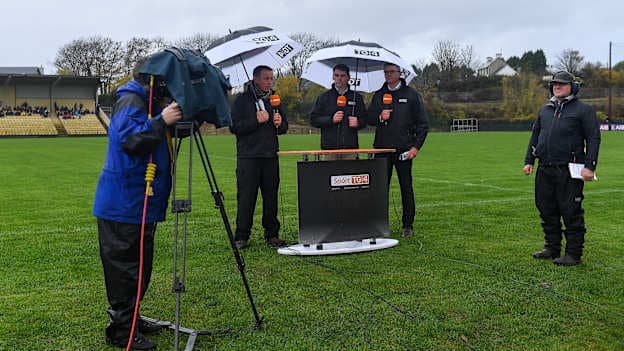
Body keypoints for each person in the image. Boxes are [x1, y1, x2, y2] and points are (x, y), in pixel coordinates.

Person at [93, 60, 182, 349]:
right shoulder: (131, 99)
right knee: (125, 269)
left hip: (139, 202)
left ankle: (131, 318)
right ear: (152, 80)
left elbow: (162, 134)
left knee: (140, 267)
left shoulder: (148, 102)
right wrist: (161, 121)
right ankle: (122, 331)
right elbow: (129, 140)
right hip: (124, 204)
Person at [523, 70, 601, 266]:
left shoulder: (583, 110)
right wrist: (529, 161)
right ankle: (552, 247)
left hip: (569, 169)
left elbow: (593, 138)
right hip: (545, 168)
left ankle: (573, 254)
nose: (557, 86)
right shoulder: (545, 109)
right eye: (555, 84)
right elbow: (535, 136)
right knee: (546, 209)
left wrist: (590, 166)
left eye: (562, 84)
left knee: (570, 211)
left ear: (572, 87)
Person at [367, 62, 429, 238]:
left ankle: (407, 225)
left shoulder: (411, 95)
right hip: (381, 150)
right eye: (385, 72)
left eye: (391, 72)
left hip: (404, 150)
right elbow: (369, 118)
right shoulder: (379, 95)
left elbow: (423, 124)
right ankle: (379, 224)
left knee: (406, 188)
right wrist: (380, 116)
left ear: (400, 73)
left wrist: (415, 147)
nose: (388, 75)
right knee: (380, 190)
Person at [230, 65, 288, 249]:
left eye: (272, 78)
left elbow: (283, 127)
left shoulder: (275, 100)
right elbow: (234, 127)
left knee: (271, 196)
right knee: (247, 197)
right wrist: (256, 120)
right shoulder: (242, 100)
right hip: (249, 157)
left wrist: (281, 124)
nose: (270, 82)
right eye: (266, 78)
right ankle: (242, 236)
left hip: (270, 155)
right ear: (255, 79)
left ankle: (272, 234)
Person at [309, 63, 367, 159]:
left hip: (350, 149)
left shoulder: (357, 97)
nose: (339, 78)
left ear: (348, 77)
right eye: (336, 75)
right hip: (329, 150)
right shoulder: (324, 97)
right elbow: (313, 119)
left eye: (342, 76)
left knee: (350, 174)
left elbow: (365, 119)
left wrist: (358, 123)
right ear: (333, 76)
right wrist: (331, 120)